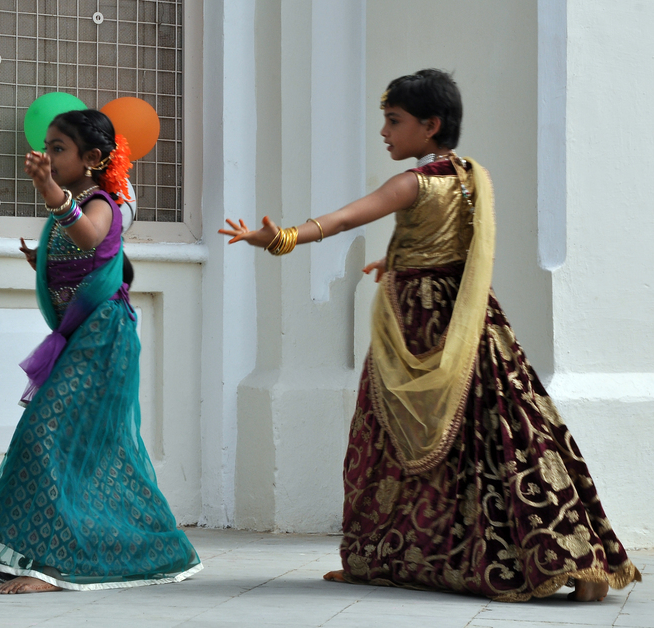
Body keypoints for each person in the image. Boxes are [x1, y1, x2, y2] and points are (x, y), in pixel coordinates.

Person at [220, 69, 640, 602]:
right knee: (508, 429)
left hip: (417, 327)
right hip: (471, 322)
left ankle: (389, 554)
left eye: (394, 121)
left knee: (387, 435)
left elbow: (343, 220)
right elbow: (452, 245)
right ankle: (575, 557)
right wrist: (396, 260)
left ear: (430, 125)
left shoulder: (413, 183)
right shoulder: (470, 177)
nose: (384, 132)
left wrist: (278, 238)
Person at [0, 109, 202, 594]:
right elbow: (78, 254)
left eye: (58, 148)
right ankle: (119, 549)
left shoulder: (100, 202)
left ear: (93, 158)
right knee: (85, 450)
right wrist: (41, 259)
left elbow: (89, 235)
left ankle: (53, 565)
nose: (48, 155)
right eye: (47, 146)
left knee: (46, 435)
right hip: (82, 338)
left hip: (104, 339)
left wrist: (50, 191)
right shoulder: (74, 204)